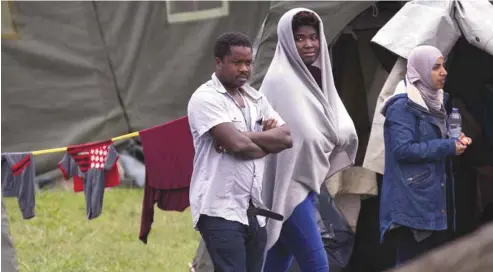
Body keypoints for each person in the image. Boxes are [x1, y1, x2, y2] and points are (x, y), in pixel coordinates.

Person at [259, 9, 359, 272]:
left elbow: (335, 128)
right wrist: (334, 136)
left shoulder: (315, 80)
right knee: (317, 263)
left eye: (314, 37)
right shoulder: (281, 83)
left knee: (277, 259)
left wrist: (334, 135)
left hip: (308, 187)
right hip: (288, 190)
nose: (309, 44)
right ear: (288, 42)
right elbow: (304, 138)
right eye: (300, 38)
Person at [187, 32, 293, 272]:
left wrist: (242, 136)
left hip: (254, 210)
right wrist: (262, 141)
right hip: (220, 209)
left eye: (248, 63)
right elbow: (238, 147)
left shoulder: (257, 99)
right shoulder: (205, 98)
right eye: (237, 62)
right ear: (219, 62)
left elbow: (286, 138)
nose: (244, 69)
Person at [379, 45, 473, 266]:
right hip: (412, 203)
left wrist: (456, 140)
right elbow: (403, 149)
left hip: (433, 199)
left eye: (443, 66)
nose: (444, 72)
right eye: (435, 67)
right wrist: (447, 147)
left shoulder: (437, 99)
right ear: (419, 71)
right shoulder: (402, 106)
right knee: (412, 263)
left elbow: (437, 136)